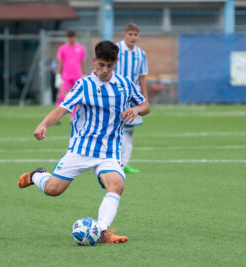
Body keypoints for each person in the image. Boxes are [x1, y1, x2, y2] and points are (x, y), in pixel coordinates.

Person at [18, 41, 150, 243]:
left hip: (110, 151)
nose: (105, 70)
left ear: (116, 62)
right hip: (82, 149)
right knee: (53, 190)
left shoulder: (125, 85)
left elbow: (145, 105)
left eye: (109, 65)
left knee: (116, 185)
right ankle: (37, 175)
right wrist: (44, 123)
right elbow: (62, 109)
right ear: (94, 61)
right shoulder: (84, 85)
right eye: (101, 65)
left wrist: (136, 110)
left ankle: (103, 231)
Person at [114, 23, 149, 174]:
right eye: (130, 34)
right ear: (124, 35)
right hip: (114, 95)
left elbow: (142, 77)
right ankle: (107, 161)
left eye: (135, 35)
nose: (133, 37)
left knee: (128, 131)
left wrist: (144, 98)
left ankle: (124, 163)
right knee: (112, 128)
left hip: (131, 97)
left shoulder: (141, 54)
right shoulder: (115, 50)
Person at [55, 30, 86, 120]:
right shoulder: (62, 48)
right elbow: (60, 63)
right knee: (61, 95)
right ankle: (57, 117)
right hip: (66, 76)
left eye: (72, 37)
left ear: (75, 37)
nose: (71, 39)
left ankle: (73, 117)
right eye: (69, 37)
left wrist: (84, 75)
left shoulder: (80, 48)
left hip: (77, 75)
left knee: (76, 96)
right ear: (67, 38)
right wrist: (58, 76)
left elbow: (82, 62)